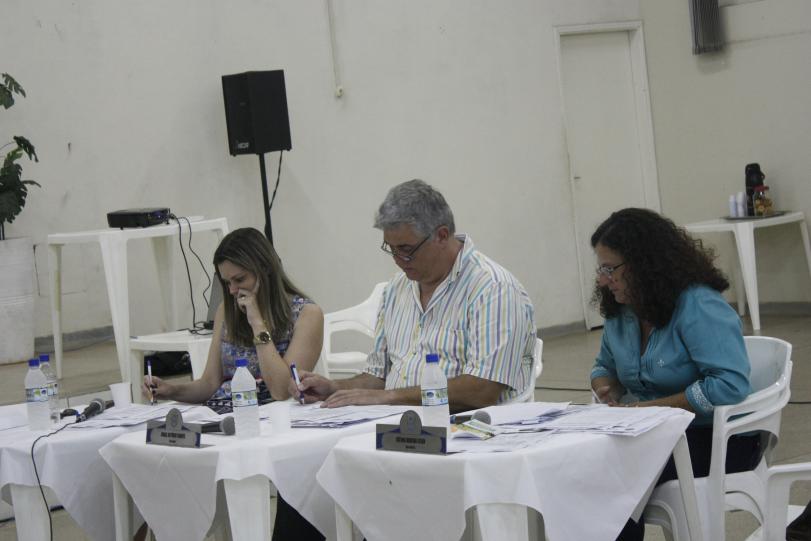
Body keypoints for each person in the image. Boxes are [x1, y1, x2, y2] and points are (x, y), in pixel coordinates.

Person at [588, 208, 761, 541]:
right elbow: (604, 366)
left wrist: (650, 410)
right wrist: (605, 387)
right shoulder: (622, 312)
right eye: (601, 269)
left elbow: (729, 385)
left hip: (719, 438)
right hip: (653, 436)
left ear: (643, 264)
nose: (602, 280)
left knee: (612, 480)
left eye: (610, 269)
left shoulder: (698, 304)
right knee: (586, 470)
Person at [142, 227, 325, 541]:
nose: (232, 290)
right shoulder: (226, 312)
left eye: (240, 279)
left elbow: (282, 389)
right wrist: (170, 390)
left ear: (265, 270)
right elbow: (209, 384)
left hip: (267, 420)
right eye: (226, 282)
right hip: (222, 419)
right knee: (155, 461)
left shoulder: (306, 314)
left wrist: (257, 322)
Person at [292, 178, 537, 412]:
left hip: (470, 426)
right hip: (399, 421)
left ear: (442, 235)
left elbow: (482, 391)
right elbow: (378, 377)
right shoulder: (396, 289)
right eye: (391, 249)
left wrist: (389, 398)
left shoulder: (493, 289)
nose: (398, 260)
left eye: (406, 249)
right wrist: (334, 387)